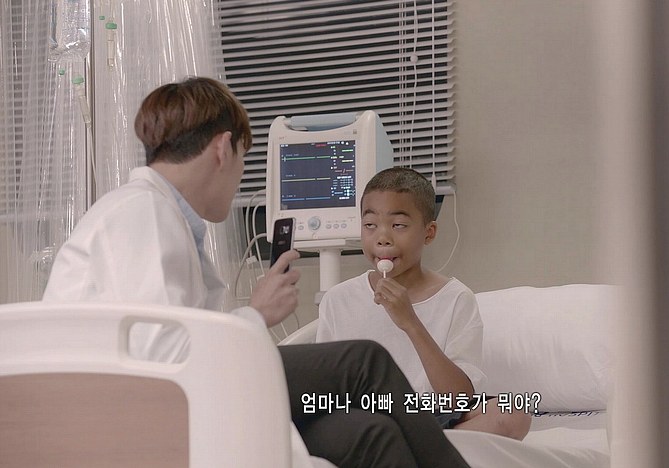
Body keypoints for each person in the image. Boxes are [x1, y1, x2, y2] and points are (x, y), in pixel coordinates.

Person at [42, 77, 470, 468]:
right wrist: (255, 315)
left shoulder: (156, 215)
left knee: (369, 432)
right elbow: (166, 358)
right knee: (364, 362)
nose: (239, 177)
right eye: (243, 159)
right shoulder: (143, 213)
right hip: (143, 408)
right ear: (223, 149)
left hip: (170, 398)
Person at [316, 167, 531, 440]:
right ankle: (418, 448)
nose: (382, 237)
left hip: (431, 413)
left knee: (513, 412)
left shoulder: (456, 298)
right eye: (370, 225)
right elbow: (326, 391)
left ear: (429, 233)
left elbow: (457, 399)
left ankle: (404, 448)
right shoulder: (339, 299)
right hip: (367, 416)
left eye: (398, 225)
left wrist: (411, 323)